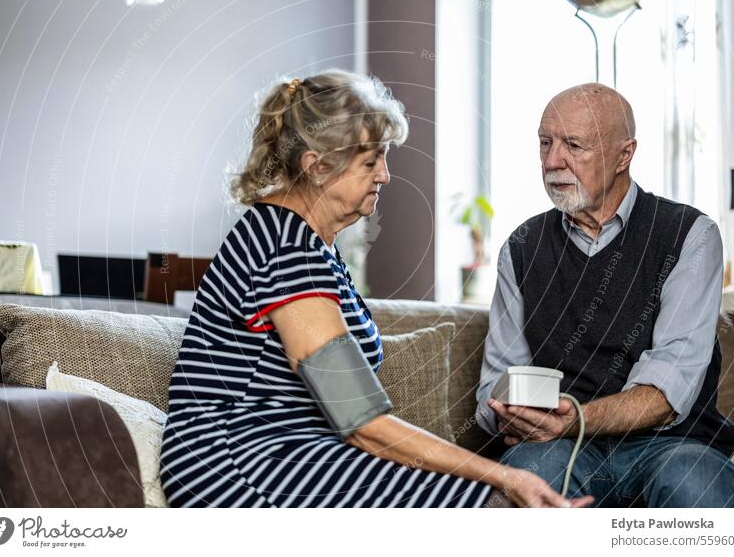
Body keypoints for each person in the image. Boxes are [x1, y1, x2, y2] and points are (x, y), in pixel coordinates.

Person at [159, 70, 591, 508]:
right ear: (316, 166)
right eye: (370, 162)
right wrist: (505, 474)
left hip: (291, 451)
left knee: (480, 500)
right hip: (237, 464)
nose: (385, 175)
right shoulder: (285, 248)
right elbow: (359, 419)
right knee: (480, 502)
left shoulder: (311, 245)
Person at [475, 83, 734, 508]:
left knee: (696, 486)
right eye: (545, 143)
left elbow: (668, 391)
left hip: (670, 443)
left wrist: (576, 419)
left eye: (572, 145)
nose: (551, 161)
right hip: (557, 446)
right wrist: (507, 413)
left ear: (624, 155)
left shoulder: (690, 235)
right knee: (528, 481)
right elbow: (497, 380)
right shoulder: (521, 247)